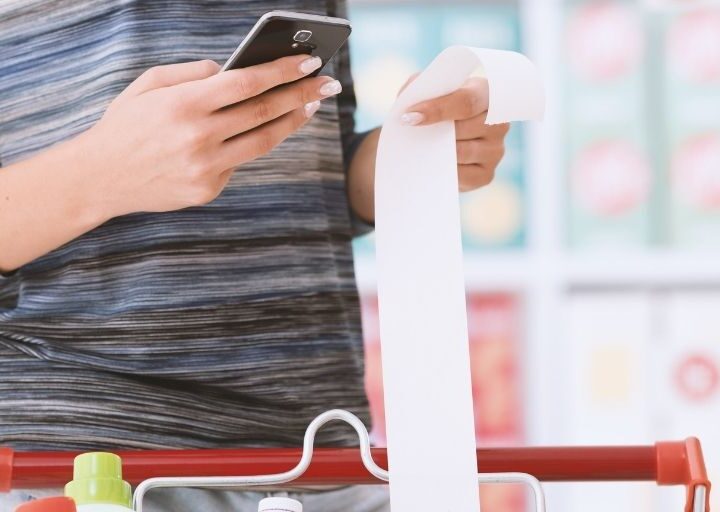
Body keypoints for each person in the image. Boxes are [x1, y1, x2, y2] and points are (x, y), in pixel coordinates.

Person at [0, 1, 509, 510]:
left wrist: (408, 155)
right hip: (78, 462)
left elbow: (320, 176)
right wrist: (100, 173)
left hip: (316, 455)